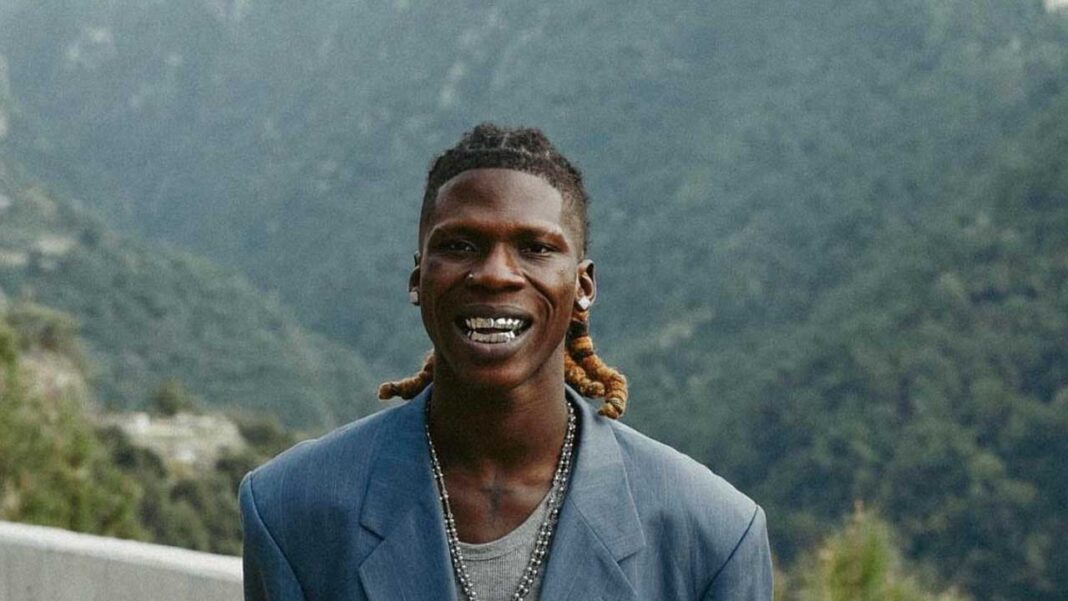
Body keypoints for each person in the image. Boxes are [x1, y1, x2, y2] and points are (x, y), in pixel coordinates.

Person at [240, 123, 773, 600]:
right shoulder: (291, 508)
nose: (496, 274)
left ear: (583, 286)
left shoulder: (713, 536)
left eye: (535, 248)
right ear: (418, 278)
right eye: (460, 245)